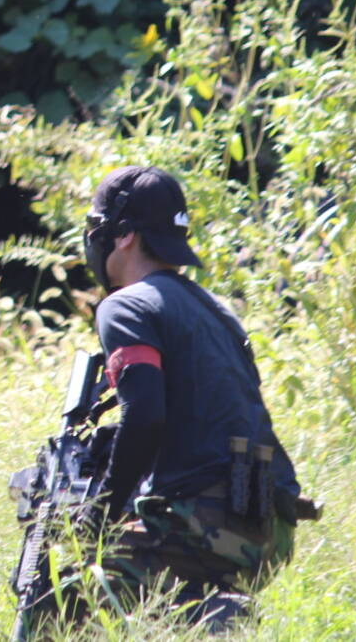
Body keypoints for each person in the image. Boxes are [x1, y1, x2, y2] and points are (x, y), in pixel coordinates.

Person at [72, 165, 315, 630]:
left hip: (204, 522)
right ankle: (209, 610)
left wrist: (98, 516)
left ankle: (213, 617)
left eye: (96, 227)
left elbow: (145, 415)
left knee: (72, 583)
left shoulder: (125, 305)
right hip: (270, 528)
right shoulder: (217, 311)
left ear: (123, 235)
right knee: (161, 592)